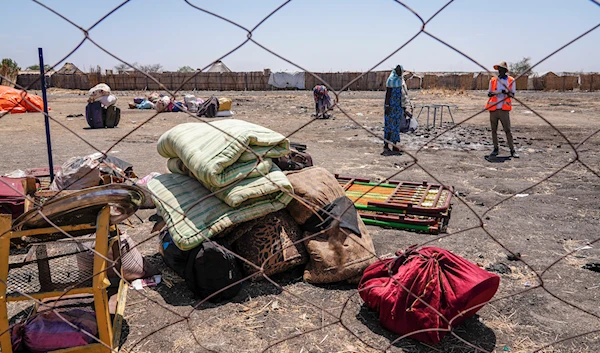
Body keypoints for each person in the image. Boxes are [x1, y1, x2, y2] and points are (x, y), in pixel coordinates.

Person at [486, 61, 519, 158]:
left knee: (507, 130)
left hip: (504, 109)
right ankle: (495, 149)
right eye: (498, 69)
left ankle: (512, 150)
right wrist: (494, 93)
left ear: (505, 70)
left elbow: (512, 95)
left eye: (501, 69)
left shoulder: (511, 80)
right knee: (493, 130)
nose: (499, 71)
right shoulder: (493, 80)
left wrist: (506, 92)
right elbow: (489, 93)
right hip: (493, 108)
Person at [383, 65, 411, 155]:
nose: (400, 73)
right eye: (398, 71)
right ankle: (386, 146)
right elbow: (388, 94)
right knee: (388, 126)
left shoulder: (400, 80)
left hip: (398, 107)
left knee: (396, 127)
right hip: (391, 107)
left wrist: (404, 108)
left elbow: (403, 96)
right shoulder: (391, 80)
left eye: (401, 71)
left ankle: (395, 146)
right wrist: (387, 106)